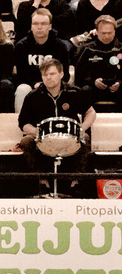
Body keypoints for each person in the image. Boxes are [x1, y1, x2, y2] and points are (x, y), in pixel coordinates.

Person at [18, 58, 95, 195]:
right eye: (45, 74)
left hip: (71, 138)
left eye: (52, 73)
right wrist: (36, 132)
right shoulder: (33, 96)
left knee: (86, 138)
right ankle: (43, 183)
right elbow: (23, 122)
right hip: (43, 140)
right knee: (26, 141)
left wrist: (81, 129)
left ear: (61, 74)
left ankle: (75, 183)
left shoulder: (74, 92)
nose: (48, 77)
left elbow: (91, 113)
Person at [13, 9, 76, 114]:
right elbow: (21, 74)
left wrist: (48, 83)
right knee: (22, 89)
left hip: (54, 84)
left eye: (43, 24)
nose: (39, 27)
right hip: (30, 85)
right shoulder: (21, 46)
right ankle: (22, 122)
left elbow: (64, 74)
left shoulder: (60, 46)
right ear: (31, 26)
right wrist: (35, 84)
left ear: (50, 26)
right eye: (35, 24)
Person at [76, 14, 122, 107]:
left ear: (115, 31)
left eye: (110, 33)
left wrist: (119, 83)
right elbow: (79, 74)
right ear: (96, 32)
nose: (107, 36)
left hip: (117, 89)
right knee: (84, 91)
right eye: (103, 33)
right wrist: (93, 82)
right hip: (93, 88)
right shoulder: (87, 49)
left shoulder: (120, 48)